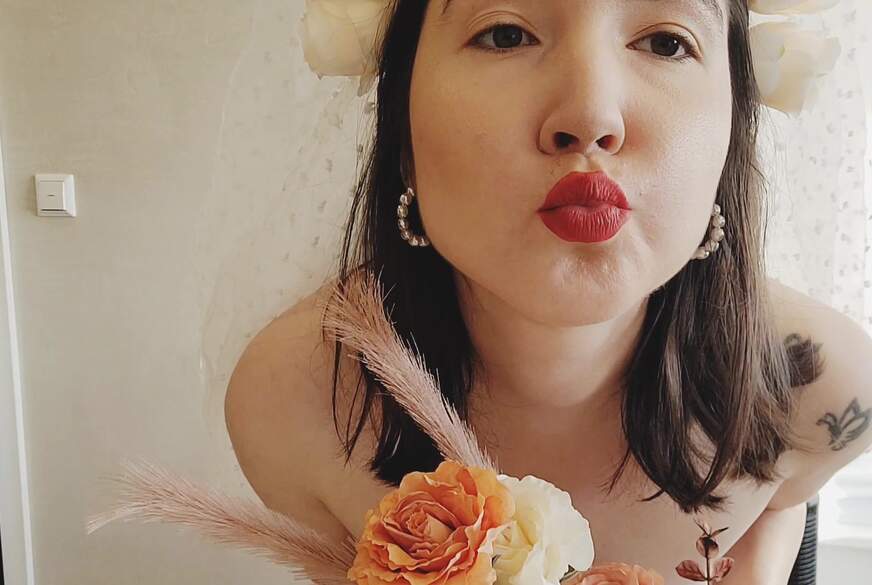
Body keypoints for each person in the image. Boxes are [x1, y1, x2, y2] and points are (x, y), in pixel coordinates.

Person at [224, 1, 872, 583]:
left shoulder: (825, 390)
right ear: (402, 135)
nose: (591, 116)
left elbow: (784, 498)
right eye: (505, 34)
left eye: (666, 42)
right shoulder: (294, 409)